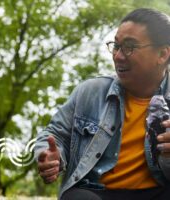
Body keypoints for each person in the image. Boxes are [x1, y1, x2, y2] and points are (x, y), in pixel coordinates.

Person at [34, 8, 170, 200]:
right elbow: (54, 135)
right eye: (116, 45)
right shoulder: (90, 92)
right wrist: (50, 155)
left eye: (130, 47)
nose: (118, 56)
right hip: (96, 192)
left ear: (162, 54)